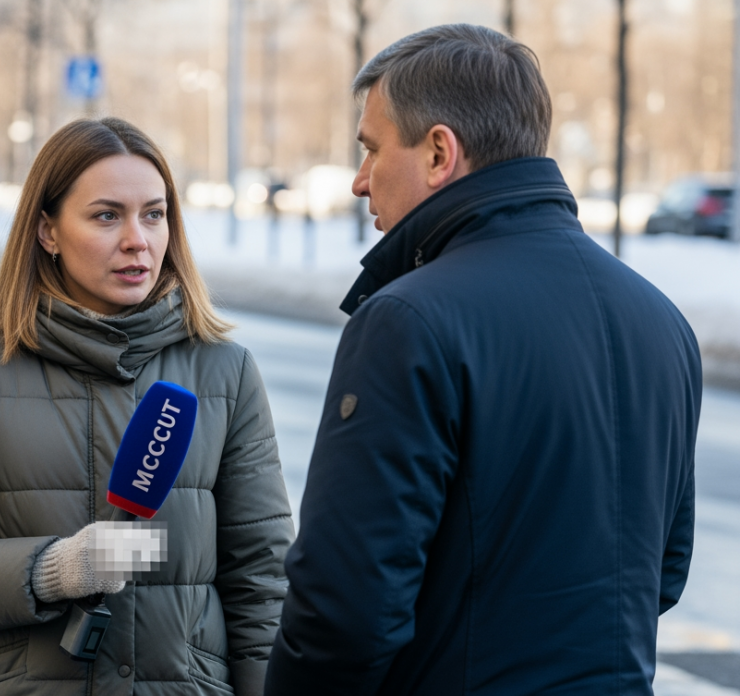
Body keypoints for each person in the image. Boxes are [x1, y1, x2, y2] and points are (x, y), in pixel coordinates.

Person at [265, 25, 701, 695]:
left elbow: (346, 608)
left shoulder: (409, 320)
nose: (358, 181)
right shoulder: (662, 320)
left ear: (440, 152)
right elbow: (662, 575)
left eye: (372, 149)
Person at [0, 118, 294, 695]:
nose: (138, 239)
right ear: (48, 231)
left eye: (154, 214)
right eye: (107, 216)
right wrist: (55, 569)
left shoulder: (225, 373)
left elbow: (262, 582)